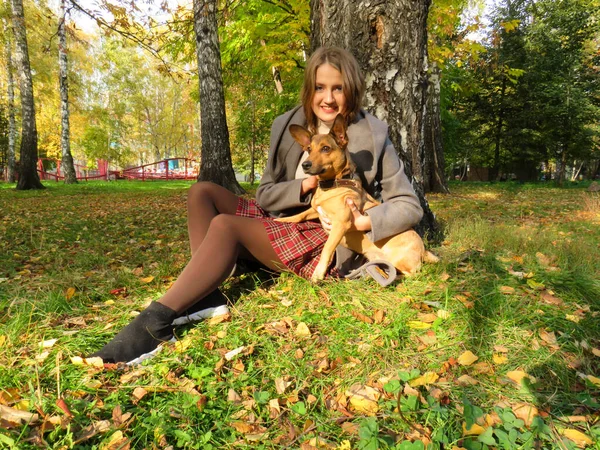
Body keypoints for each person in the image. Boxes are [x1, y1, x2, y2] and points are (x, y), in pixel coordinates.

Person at [90, 47, 423, 364]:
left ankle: (155, 323)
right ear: (309, 89)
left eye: (338, 88)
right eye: (320, 87)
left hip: (323, 234)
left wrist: (366, 222)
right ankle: (206, 296)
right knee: (201, 193)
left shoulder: (374, 135)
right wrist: (305, 185)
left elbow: (409, 204)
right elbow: (264, 194)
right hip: (285, 215)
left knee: (225, 227)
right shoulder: (286, 126)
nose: (328, 97)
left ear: (352, 90)